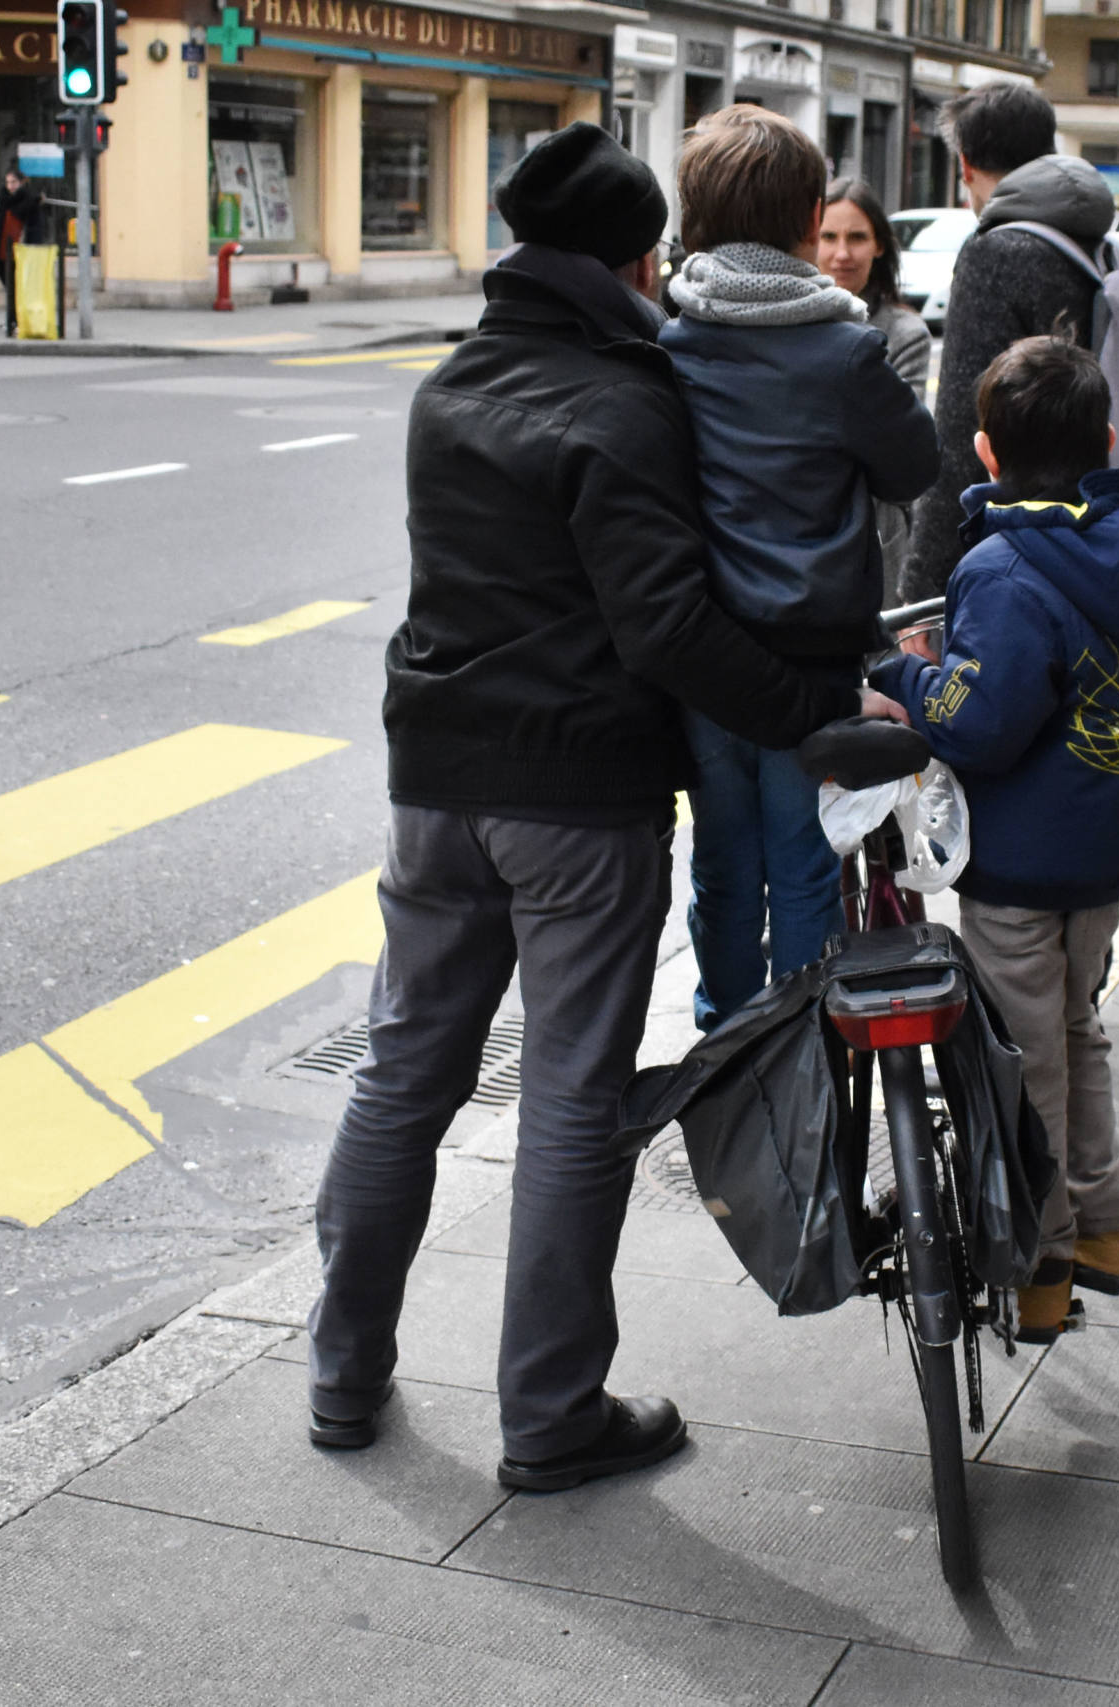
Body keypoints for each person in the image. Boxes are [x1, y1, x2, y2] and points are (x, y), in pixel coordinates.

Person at [307, 123, 887, 1491]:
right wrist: (822, 720)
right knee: (571, 1099)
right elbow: (672, 627)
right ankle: (551, 1413)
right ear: (638, 261)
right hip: (574, 801)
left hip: (435, 786)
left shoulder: (448, 385)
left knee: (401, 1071)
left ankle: (341, 1372)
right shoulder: (627, 403)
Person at [869, 336, 1119, 1338]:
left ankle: (1043, 1256)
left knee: (1025, 1053)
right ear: (1105, 439)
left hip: (1023, 862)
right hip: (1113, 842)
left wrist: (902, 678)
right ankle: (1100, 1218)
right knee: (1075, 1026)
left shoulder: (1003, 566)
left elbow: (979, 719)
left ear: (983, 453)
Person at [658, 108, 940, 1026]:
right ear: (810, 218)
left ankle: (727, 1044)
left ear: (692, 216)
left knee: (723, 867)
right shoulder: (846, 349)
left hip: (707, 660)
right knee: (805, 862)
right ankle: (807, 1052)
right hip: (813, 663)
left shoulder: (672, 344)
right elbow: (914, 466)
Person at [902, 83, 1116, 609]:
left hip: (1025, 559)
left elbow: (959, 435)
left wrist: (924, 589)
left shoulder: (996, 251)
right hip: (1106, 535)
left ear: (966, 165)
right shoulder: (1100, 242)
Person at [816, 176, 933, 605]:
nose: (842, 253)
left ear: (879, 245)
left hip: (878, 546)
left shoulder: (904, 334)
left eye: (857, 237)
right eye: (829, 236)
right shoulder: (788, 322)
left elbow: (900, 464)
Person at [0, 168, 42, 337]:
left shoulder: (30, 202)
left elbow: (35, 228)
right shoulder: (1, 201)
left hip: (21, 251)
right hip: (1, 252)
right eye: (8, 182)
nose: (10, 186)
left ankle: (14, 321)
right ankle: (13, 320)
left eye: (13, 182)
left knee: (17, 289)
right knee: (10, 289)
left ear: (21, 183)